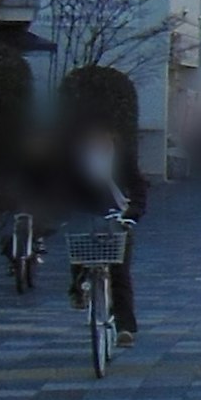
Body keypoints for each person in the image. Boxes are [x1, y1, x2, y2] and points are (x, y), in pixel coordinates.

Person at [66, 116, 147, 344]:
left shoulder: (122, 158)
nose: (97, 141)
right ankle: (78, 289)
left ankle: (125, 327)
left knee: (120, 272)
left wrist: (135, 210)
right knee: (80, 250)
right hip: (89, 214)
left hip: (119, 216)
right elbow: (65, 187)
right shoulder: (78, 159)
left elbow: (139, 184)